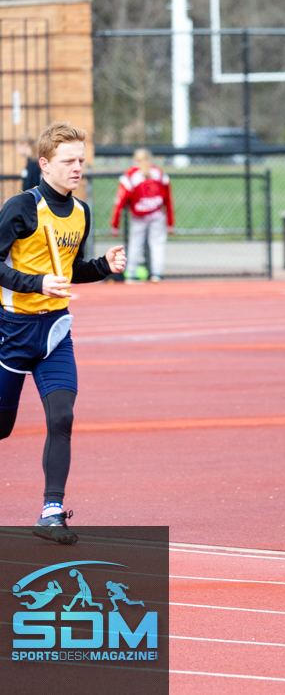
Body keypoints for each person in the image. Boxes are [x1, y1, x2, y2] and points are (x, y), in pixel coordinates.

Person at [0, 122, 126, 545]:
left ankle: (51, 511)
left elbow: (70, 272)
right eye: (69, 161)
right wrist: (35, 284)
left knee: (63, 417)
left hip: (55, 333)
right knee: (2, 426)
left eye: (81, 161)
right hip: (12, 333)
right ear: (45, 164)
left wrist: (103, 267)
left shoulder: (81, 212)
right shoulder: (20, 207)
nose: (77, 169)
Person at [111, 148, 174, 283]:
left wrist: (115, 224)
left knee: (135, 244)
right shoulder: (158, 172)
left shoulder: (130, 175)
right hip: (157, 215)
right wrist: (170, 222)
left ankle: (131, 273)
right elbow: (168, 199)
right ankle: (157, 273)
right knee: (157, 244)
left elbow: (119, 202)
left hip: (139, 217)